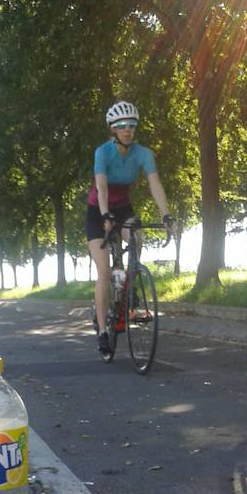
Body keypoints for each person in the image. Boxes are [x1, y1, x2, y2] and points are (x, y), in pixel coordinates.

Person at [86, 101, 173, 355]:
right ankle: (102, 330)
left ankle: (130, 280)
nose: (128, 130)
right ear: (113, 129)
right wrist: (104, 215)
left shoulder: (143, 153)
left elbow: (155, 184)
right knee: (103, 271)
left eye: (132, 125)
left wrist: (166, 214)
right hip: (97, 210)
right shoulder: (103, 152)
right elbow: (101, 187)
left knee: (137, 234)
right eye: (122, 126)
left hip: (123, 207)